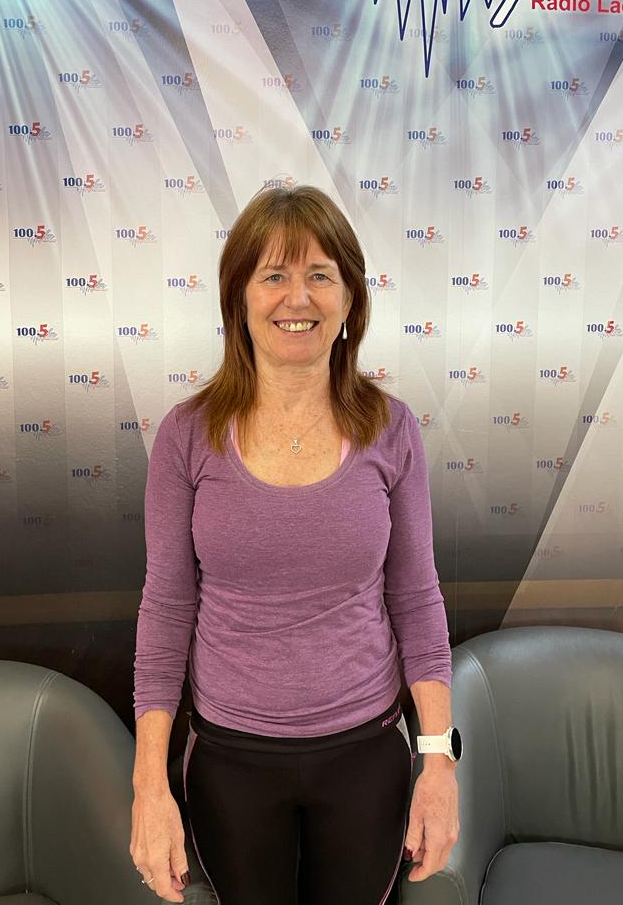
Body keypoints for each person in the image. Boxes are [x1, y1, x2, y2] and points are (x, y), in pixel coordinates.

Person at [130, 185, 459, 904]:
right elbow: (166, 610)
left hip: (366, 752)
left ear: (349, 299)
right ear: (239, 298)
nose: (297, 298)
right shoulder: (187, 435)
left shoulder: (392, 428)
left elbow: (416, 598)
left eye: (320, 274)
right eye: (273, 275)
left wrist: (438, 761)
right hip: (230, 759)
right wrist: (148, 783)